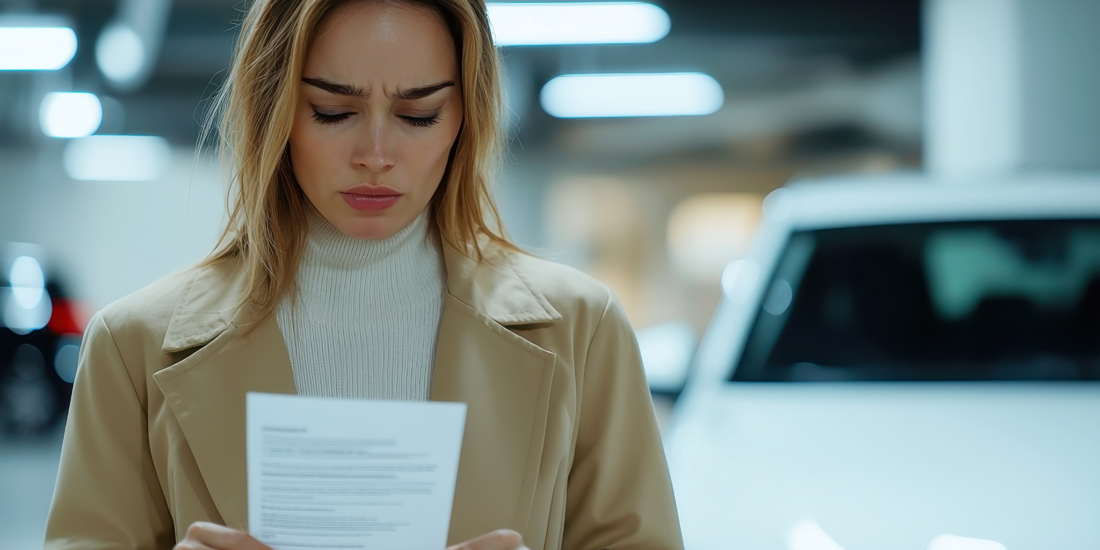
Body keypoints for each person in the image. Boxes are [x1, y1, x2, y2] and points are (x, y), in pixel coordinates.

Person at [43, 1, 683, 549]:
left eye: (419, 115)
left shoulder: (582, 331)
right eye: (331, 110)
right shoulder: (131, 348)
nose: (376, 156)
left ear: (466, 116)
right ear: (276, 111)